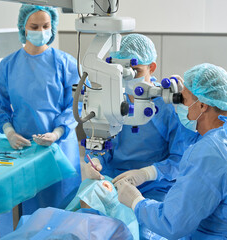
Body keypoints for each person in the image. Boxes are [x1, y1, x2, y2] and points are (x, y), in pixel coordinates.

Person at [115, 63, 227, 239]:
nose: (180, 106)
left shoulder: (209, 153)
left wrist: (136, 201)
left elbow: (171, 224)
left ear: (203, 105)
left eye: (184, 100)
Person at [82, 34, 200, 239]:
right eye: (120, 71)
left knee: (143, 233)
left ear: (152, 68)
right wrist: (95, 162)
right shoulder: (107, 99)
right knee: (88, 224)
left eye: (134, 70)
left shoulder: (168, 106)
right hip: (112, 179)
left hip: (155, 186)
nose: (127, 77)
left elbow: (181, 158)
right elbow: (99, 140)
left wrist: (146, 173)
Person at [0, 4, 81, 236]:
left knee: (60, 219)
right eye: (34, 26)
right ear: (23, 29)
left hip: (59, 150)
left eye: (46, 26)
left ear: (53, 27)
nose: (41, 31)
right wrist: (8, 131)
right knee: (22, 215)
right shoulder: (8, 66)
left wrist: (58, 132)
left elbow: (75, 104)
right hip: (23, 149)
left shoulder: (65, 63)